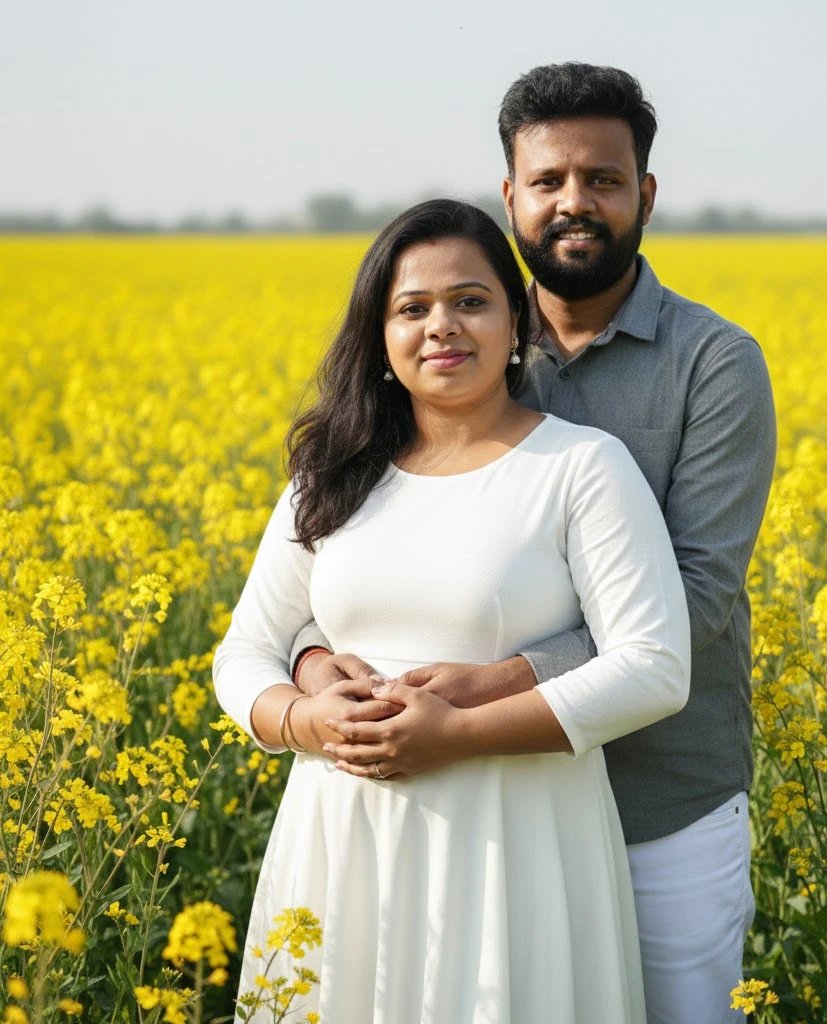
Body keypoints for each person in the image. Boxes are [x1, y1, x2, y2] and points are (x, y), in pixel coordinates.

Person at [289, 64, 777, 1024]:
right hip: (475, 813)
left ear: (645, 194)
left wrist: (487, 684)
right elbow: (356, 553)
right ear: (510, 198)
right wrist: (309, 662)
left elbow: (695, 594)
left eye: (602, 180)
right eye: (549, 182)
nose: (575, 204)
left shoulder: (714, 365)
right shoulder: (454, 348)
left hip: (657, 806)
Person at [213, 198, 690, 1023]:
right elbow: (244, 653)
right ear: (380, 336)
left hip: (518, 842)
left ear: (517, 323)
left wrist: (458, 733)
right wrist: (307, 718)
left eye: (471, 301)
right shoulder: (330, 475)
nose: (443, 326)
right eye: (412, 308)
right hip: (342, 838)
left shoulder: (580, 466)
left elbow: (654, 666)